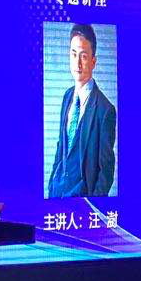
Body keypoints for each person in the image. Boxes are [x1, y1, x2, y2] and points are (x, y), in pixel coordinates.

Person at [47, 22, 118, 198]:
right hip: (57, 194)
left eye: (84, 56)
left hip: (82, 202)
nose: (77, 63)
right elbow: (62, 146)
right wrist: (51, 184)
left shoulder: (105, 110)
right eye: (73, 54)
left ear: (93, 61)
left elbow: (106, 170)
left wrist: (93, 205)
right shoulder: (67, 96)